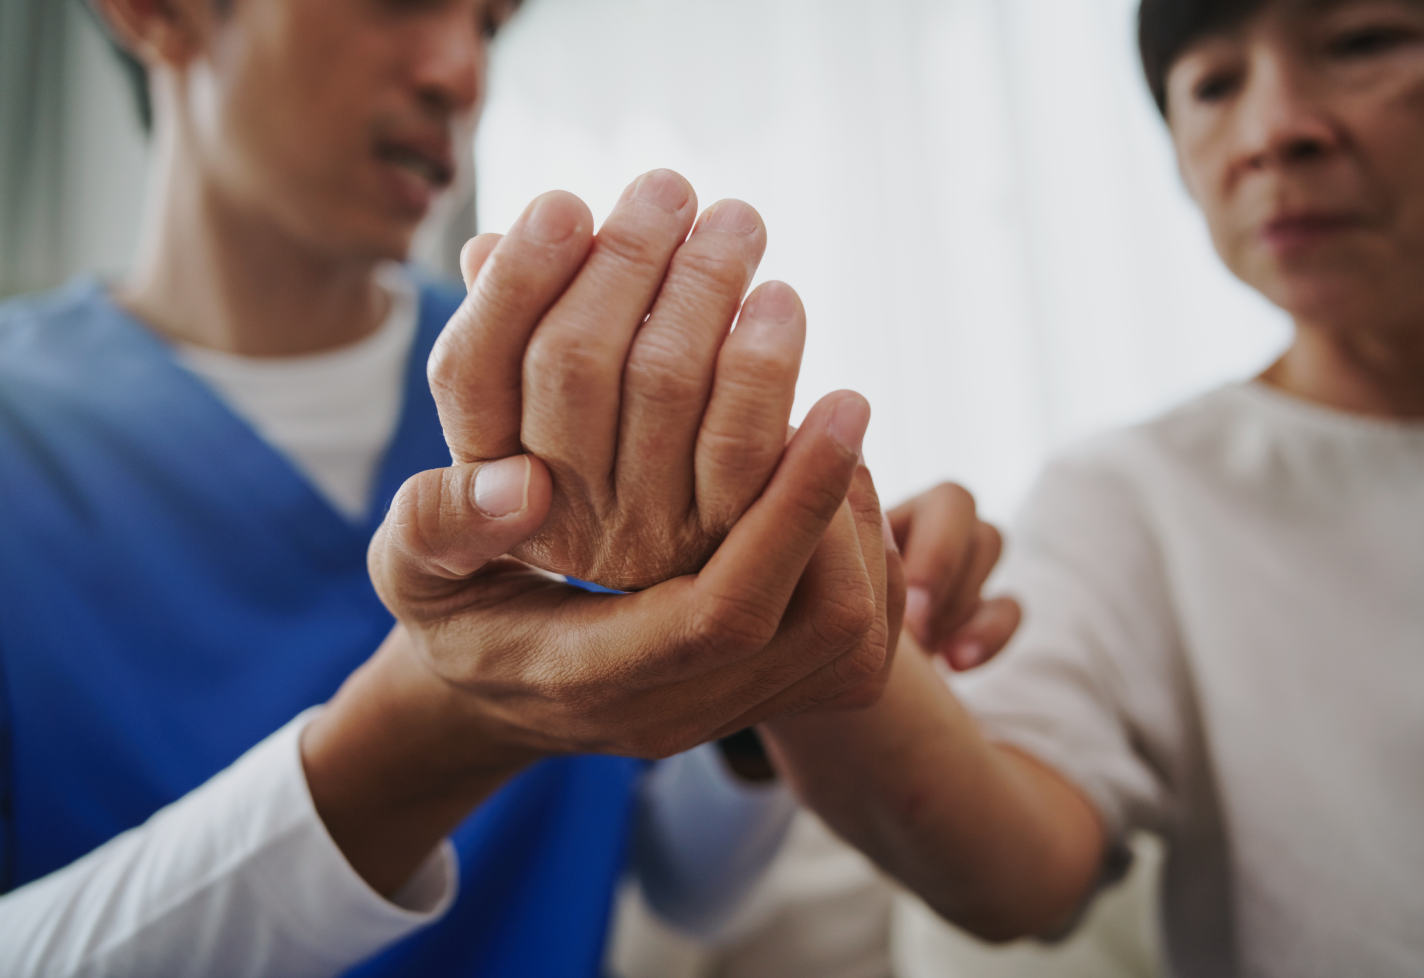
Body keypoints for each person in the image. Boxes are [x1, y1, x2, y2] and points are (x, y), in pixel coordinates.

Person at [0, 0, 1001, 972]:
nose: (460, 72)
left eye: (487, 21)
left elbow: (687, 884)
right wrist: (415, 744)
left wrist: (758, 655)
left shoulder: (570, 392)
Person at [761, 1, 1424, 976]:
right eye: (1209, 84)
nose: (1272, 131)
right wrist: (801, 619)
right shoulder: (1135, 496)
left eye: (1359, 43)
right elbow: (1011, 863)